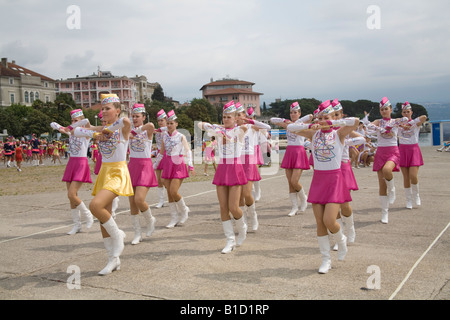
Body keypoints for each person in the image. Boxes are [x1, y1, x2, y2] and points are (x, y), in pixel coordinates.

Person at [287, 100, 359, 274]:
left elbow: (355, 122)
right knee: (320, 223)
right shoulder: (314, 134)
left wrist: (332, 122)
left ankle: (341, 239)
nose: (322, 121)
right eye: (319, 118)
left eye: (325, 117)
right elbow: (291, 128)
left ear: (333, 117)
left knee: (329, 220)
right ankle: (325, 259)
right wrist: (313, 125)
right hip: (318, 180)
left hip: (335, 180)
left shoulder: (338, 133)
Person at [198, 100, 249, 253]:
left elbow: (243, 130)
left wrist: (225, 134)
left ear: (235, 118)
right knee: (223, 207)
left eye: (229, 117)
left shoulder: (239, 130)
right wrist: (215, 128)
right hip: (222, 168)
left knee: (234, 207)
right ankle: (229, 240)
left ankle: (242, 227)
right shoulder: (219, 130)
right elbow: (200, 124)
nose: (226, 119)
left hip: (234, 167)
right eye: (224, 117)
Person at [362, 97, 409, 223]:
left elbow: (405, 119)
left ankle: (392, 189)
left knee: (387, 170)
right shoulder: (378, 121)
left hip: (393, 151)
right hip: (380, 152)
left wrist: (393, 124)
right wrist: (379, 128)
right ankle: (384, 212)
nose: (384, 111)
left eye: (386, 109)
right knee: (382, 185)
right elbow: (369, 126)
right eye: (382, 109)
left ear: (391, 109)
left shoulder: (395, 120)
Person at [51, 109, 94, 235]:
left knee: (71, 194)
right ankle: (77, 225)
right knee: (71, 197)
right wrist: (62, 127)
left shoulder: (86, 133)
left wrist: (72, 126)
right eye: (72, 120)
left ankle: (88, 215)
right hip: (71, 163)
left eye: (76, 120)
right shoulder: (71, 133)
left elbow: (86, 121)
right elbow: (53, 124)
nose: (73, 123)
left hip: (81, 163)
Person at [153, 110, 194, 228]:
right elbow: (161, 153)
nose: (169, 125)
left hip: (178, 164)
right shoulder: (164, 136)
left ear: (176, 124)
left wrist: (190, 165)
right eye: (168, 123)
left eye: (171, 123)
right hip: (168, 164)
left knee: (173, 191)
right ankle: (174, 217)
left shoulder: (181, 136)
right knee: (169, 193)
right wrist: (154, 165)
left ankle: (184, 209)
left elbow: (188, 151)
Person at [270, 101, 312, 216]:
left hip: (299, 152)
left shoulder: (302, 125)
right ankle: (294, 207)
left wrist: (298, 122)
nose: (293, 114)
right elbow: (272, 120)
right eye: (291, 112)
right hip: (289, 152)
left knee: (294, 181)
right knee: (290, 182)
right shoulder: (288, 125)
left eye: (295, 112)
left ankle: (303, 199)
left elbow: (311, 116)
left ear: (299, 113)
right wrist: (285, 121)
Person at [236, 104, 271, 231]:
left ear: (244, 116)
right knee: (239, 195)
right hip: (237, 161)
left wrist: (250, 121)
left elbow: (267, 127)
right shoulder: (233, 129)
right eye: (236, 115)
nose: (237, 118)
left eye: (240, 115)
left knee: (246, 192)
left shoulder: (252, 127)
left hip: (249, 160)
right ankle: (243, 220)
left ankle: (253, 215)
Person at [127, 103, 157, 244]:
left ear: (143, 117)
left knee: (139, 199)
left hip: (145, 166)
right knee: (132, 202)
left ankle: (150, 220)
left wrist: (135, 132)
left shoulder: (146, 130)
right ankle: (137, 233)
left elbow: (151, 125)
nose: (134, 119)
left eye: (137, 116)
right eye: (133, 116)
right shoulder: (128, 130)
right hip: (132, 165)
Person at [397, 101, 427, 209]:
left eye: (408, 112)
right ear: (402, 113)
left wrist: (410, 123)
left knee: (413, 176)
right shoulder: (399, 125)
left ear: (411, 112)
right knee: (406, 177)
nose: (406, 114)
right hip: (402, 150)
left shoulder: (415, 123)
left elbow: (424, 117)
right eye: (404, 112)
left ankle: (416, 195)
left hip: (414, 149)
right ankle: (408, 200)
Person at [154, 109, 168, 208]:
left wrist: (155, 130)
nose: (160, 122)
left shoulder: (167, 129)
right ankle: (161, 201)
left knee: (165, 180)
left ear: (166, 120)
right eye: (159, 120)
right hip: (159, 154)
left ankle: (172, 196)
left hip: (167, 155)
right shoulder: (158, 131)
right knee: (158, 179)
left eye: (162, 120)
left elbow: (162, 130)